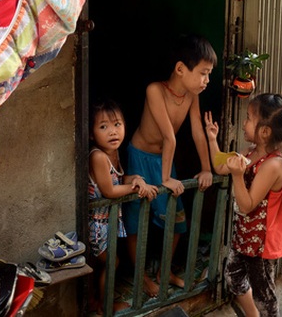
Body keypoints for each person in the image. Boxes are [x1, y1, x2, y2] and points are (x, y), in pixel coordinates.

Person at [123, 34, 217, 297]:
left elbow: (197, 132)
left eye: (209, 74)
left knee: (177, 221)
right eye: (203, 73)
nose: (207, 81)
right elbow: (169, 136)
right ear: (180, 69)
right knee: (134, 221)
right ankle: (140, 275)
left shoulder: (191, 95)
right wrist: (166, 178)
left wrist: (207, 167)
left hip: (165, 159)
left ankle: (164, 271)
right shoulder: (155, 90)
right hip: (140, 159)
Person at [204, 93, 282, 317]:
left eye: (248, 118)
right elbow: (221, 167)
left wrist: (238, 176)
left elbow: (247, 205)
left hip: (261, 244)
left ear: (265, 132)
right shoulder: (250, 152)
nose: (244, 123)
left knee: (264, 295)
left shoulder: (273, 165)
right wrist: (212, 139)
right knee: (233, 278)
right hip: (244, 237)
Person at [88, 98, 158, 315]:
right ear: (91, 134)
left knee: (104, 264)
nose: (112, 132)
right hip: (96, 224)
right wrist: (136, 189)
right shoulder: (98, 156)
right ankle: (105, 307)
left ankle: (95, 303)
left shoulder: (114, 153)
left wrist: (136, 178)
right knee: (112, 263)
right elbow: (109, 191)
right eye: (103, 127)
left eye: (117, 124)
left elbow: (119, 180)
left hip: (106, 221)